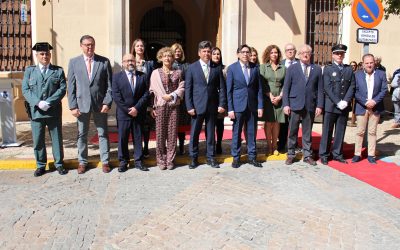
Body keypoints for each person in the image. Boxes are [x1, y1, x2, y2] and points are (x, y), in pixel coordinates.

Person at [67, 35, 113, 174]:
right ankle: (82, 161)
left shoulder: (104, 62)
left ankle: (105, 161)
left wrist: (107, 102)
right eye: (87, 44)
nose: (89, 47)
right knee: (82, 134)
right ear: (81, 46)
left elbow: (110, 86)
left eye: (92, 44)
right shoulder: (74, 62)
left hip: (100, 105)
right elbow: (71, 86)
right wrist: (72, 106)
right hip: (81, 105)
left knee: (103, 133)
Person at [22, 42, 67, 177]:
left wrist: (49, 102)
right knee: (38, 140)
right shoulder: (30, 71)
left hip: (53, 111)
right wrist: (38, 102)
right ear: (36, 55)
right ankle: (41, 165)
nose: (45, 56)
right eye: (42, 54)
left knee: (57, 139)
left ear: (50, 55)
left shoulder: (58, 71)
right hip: (36, 112)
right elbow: (25, 89)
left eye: (47, 53)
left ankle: (59, 164)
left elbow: (62, 88)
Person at [185, 40, 226, 169]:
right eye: (204, 51)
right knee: (195, 134)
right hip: (197, 107)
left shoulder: (216, 67)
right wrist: (189, 106)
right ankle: (193, 158)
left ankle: (210, 157)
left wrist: (222, 104)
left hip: (212, 106)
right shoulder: (192, 68)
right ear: (199, 53)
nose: (207, 53)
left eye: (209, 51)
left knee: (210, 134)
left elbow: (222, 88)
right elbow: (188, 89)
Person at [282, 44, 324, 166]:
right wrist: (286, 104)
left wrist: (319, 105)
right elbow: (286, 88)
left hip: (310, 105)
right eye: (303, 53)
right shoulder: (292, 68)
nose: (305, 55)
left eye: (308, 53)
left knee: (307, 132)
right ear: (299, 55)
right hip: (295, 104)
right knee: (293, 131)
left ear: (310, 54)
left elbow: (320, 89)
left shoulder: (316, 69)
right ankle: (290, 154)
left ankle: (307, 155)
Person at [227, 44, 264, 169]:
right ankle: (236, 158)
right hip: (238, 106)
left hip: (252, 106)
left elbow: (258, 88)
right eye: (243, 52)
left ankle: (252, 157)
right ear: (238, 54)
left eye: (247, 52)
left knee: (251, 132)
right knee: (236, 133)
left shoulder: (255, 68)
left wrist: (260, 106)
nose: (245, 54)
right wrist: (230, 108)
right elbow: (229, 91)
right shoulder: (232, 68)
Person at [112, 53, 150, 172]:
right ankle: (123, 161)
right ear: (123, 63)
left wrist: (136, 108)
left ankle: (138, 161)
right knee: (123, 138)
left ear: (135, 62)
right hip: (123, 114)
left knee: (138, 137)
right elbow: (116, 96)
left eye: (132, 60)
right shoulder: (116, 77)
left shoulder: (142, 76)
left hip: (138, 113)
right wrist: (128, 110)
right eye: (127, 61)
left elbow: (146, 94)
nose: (130, 63)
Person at [318, 44, 355, 165]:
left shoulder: (349, 69)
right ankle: (324, 154)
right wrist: (338, 101)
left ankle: (337, 154)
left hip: (344, 106)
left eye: (341, 53)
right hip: (331, 106)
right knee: (327, 131)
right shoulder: (328, 69)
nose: (339, 55)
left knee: (340, 131)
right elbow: (327, 88)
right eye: (337, 53)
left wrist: (346, 100)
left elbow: (352, 86)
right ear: (333, 55)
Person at [149, 47, 185, 170]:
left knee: (172, 133)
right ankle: (160, 159)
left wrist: (172, 95)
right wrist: (162, 98)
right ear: (160, 58)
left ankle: (170, 160)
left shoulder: (178, 72)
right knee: (160, 134)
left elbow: (182, 87)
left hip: (173, 106)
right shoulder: (155, 72)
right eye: (164, 56)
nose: (167, 58)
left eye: (169, 56)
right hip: (160, 106)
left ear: (173, 58)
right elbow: (153, 89)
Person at [352, 54, 388, 164]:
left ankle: (371, 155)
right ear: (363, 64)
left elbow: (384, 90)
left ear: (374, 63)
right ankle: (357, 154)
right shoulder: (357, 75)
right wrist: (365, 102)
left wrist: (374, 101)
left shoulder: (381, 74)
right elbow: (355, 90)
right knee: (360, 131)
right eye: (367, 63)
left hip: (375, 107)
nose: (369, 65)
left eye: (371, 62)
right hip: (362, 107)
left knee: (372, 132)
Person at [259, 45, 286, 156]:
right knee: (269, 122)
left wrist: (280, 96)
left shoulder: (283, 68)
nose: (274, 54)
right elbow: (262, 83)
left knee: (276, 123)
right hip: (267, 98)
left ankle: (275, 146)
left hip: (279, 98)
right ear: (268, 54)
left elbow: (286, 84)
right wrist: (270, 96)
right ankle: (268, 146)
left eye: (276, 52)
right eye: (272, 52)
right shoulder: (263, 67)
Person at [131, 39, 155, 158]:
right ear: (134, 48)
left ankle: (145, 147)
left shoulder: (149, 64)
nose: (140, 48)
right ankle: (137, 148)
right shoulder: (130, 62)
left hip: (146, 96)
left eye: (142, 46)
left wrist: (151, 102)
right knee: (135, 124)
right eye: (138, 46)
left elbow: (152, 81)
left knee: (146, 124)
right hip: (133, 97)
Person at [278, 43, 300, 152]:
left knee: (294, 123)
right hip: (281, 98)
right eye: (288, 50)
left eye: (292, 49)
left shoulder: (301, 63)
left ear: (295, 51)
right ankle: (281, 144)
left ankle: (293, 144)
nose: (290, 51)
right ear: (285, 52)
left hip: (296, 98)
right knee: (283, 123)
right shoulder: (280, 64)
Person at [171, 43, 191, 155]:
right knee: (172, 124)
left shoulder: (187, 65)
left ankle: (182, 146)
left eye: (179, 51)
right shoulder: (168, 65)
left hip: (182, 100)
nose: (177, 53)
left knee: (181, 125)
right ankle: (172, 147)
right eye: (175, 51)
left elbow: (188, 82)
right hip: (172, 99)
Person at [211, 47, 227, 154]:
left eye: (218, 54)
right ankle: (211, 144)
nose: (217, 56)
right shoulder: (208, 68)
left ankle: (219, 144)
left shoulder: (225, 69)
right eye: (214, 54)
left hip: (221, 99)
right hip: (211, 100)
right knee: (210, 124)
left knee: (220, 124)